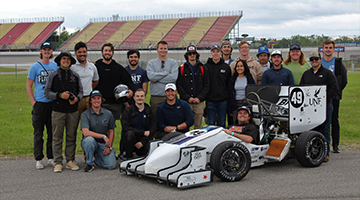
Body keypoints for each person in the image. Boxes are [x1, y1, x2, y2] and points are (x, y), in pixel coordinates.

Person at [44, 51, 83, 173]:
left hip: (72, 111)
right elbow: (47, 93)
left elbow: (81, 92)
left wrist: (77, 98)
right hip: (58, 111)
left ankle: (70, 160)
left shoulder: (75, 76)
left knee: (71, 136)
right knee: (57, 137)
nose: (66, 61)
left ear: (71, 61)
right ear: (60, 61)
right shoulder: (54, 75)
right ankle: (58, 162)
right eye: (64, 59)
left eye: (68, 59)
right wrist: (60, 95)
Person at [300, 51, 339, 162]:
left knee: (325, 129)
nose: (314, 61)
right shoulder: (306, 74)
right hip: (309, 107)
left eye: (316, 59)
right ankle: (313, 151)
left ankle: (325, 153)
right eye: (312, 59)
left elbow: (334, 88)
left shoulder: (328, 73)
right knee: (311, 129)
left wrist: (322, 98)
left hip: (325, 105)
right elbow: (302, 88)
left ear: (320, 59)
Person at [26, 42, 58, 169]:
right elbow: (29, 85)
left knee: (52, 132)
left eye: (49, 50)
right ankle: (38, 158)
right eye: (44, 50)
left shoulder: (55, 65)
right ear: (41, 51)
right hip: (40, 103)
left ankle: (51, 157)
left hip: (52, 103)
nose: (47, 52)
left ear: (51, 52)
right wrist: (33, 101)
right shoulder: (35, 67)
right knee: (39, 132)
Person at [95, 43, 135, 120]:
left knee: (111, 127)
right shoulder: (96, 67)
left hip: (115, 103)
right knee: (99, 127)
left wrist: (131, 91)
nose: (107, 52)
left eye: (109, 51)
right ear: (102, 52)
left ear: (113, 53)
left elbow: (128, 81)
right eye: (105, 50)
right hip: (99, 102)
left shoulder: (118, 68)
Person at [321, 40, 348, 153]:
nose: (328, 49)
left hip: (334, 97)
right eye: (326, 47)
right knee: (321, 121)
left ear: (333, 49)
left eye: (330, 47)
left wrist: (335, 92)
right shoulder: (319, 62)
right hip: (320, 97)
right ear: (323, 49)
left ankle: (335, 145)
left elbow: (343, 80)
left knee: (334, 121)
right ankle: (321, 144)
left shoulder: (337, 63)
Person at [80, 90, 116, 172]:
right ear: (90, 101)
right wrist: (103, 136)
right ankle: (89, 163)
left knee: (111, 165)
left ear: (101, 100)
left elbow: (111, 131)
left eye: (98, 98)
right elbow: (85, 132)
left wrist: (109, 146)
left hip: (103, 144)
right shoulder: (85, 114)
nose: (96, 101)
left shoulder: (108, 113)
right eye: (94, 99)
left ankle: (97, 158)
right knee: (89, 140)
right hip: (90, 142)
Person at [176, 45, 210, 129]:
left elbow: (206, 85)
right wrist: (187, 98)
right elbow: (179, 85)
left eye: (193, 53)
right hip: (186, 102)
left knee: (197, 126)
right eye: (189, 54)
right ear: (186, 55)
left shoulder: (203, 68)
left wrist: (199, 97)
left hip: (199, 102)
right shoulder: (181, 68)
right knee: (185, 125)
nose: (192, 55)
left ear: (196, 54)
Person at [120, 89, 156, 160]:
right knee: (129, 134)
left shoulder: (150, 111)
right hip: (131, 140)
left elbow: (153, 129)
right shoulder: (128, 111)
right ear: (134, 98)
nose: (140, 98)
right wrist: (143, 133)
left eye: (142, 96)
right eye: (137, 96)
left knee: (144, 153)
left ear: (145, 97)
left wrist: (142, 142)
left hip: (144, 140)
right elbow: (126, 127)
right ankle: (128, 156)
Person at [147, 41, 178, 113]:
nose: (163, 50)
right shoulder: (151, 63)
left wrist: (157, 79)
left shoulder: (173, 63)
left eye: (165, 48)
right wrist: (167, 73)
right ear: (157, 50)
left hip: (171, 96)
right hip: (156, 96)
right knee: (156, 119)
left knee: (171, 118)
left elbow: (173, 78)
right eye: (161, 48)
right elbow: (151, 77)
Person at [205, 44, 231, 128]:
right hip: (210, 100)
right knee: (211, 123)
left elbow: (228, 83)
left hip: (222, 100)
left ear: (221, 53)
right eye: (213, 51)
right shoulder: (206, 67)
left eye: (217, 51)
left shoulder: (226, 67)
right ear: (211, 53)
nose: (215, 53)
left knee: (222, 123)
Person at [71, 41, 99, 116]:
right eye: (79, 52)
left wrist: (89, 89)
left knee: (90, 123)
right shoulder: (72, 66)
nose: (82, 54)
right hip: (77, 99)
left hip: (89, 98)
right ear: (75, 53)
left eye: (84, 52)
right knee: (75, 123)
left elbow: (96, 80)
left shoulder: (92, 66)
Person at [227, 60, 255, 126]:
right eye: (237, 66)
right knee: (236, 123)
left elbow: (253, 90)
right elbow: (229, 94)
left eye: (241, 66)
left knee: (246, 122)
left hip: (247, 103)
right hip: (235, 104)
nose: (239, 68)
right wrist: (230, 109)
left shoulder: (249, 78)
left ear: (245, 67)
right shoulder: (232, 79)